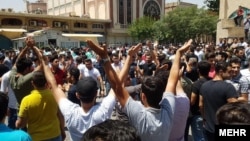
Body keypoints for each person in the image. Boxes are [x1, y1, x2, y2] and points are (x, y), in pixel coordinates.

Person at [87, 39, 193, 141]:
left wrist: (106, 58)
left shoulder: (139, 114)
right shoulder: (169, 110)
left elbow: (117, 87)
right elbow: (172, 80)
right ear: (163, 94)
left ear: (143, 96)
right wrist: (179, 53)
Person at [16, 70, 65, 141]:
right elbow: (60, 115)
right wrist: (62, 131)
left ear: (32, 83)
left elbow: (21, 124)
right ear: (46, 83)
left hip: (36, 137)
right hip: (55, 134)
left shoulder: (26, 100)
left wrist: (17, 123)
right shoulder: (54, 96)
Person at [199, 61, 238, 141]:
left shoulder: (204, 85)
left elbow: (200, 104)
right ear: (221, 72)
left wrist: (204, 118)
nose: (232, 74)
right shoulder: (228, 87)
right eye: (229, 72)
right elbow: (236, 108)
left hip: (208, 128)